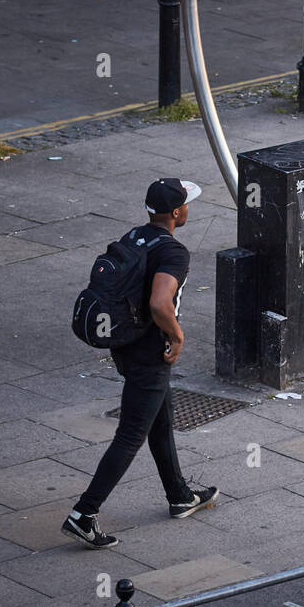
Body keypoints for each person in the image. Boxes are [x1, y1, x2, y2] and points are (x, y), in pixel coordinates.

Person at [62, 178, 219, 549]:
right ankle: (84, 513)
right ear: (178, 212)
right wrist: (177, 336)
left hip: (126, 344)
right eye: (187, 204)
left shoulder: (134, 236)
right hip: (151, 352)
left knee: (160, 421)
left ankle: (179, 496)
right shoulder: (173, 252)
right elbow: (159, 304)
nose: (188, 209)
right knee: (131, 434)